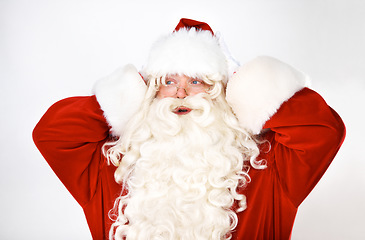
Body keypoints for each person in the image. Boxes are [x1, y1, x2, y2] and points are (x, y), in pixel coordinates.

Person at [33, 18, 345, 240]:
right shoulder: (112, 168)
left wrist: (250, 92)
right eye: (168, 81)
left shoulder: (270, 167)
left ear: (222, 92)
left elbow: (323, 130)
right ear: (149, 92)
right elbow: (53, 133)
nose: (180, 93)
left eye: (196, 80)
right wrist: (124, 98)